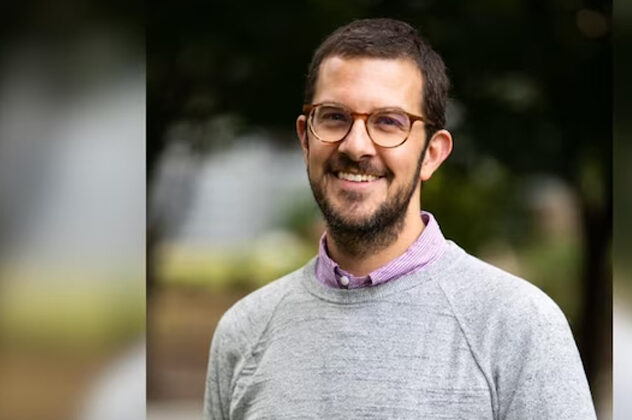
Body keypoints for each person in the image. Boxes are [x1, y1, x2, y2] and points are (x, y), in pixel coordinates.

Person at [204, 18, 596, 419]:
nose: (356, 145)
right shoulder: (244, 332)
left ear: (432, 154)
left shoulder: (518, 326)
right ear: (306, 138)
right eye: (335, 116)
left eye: (389, 122)